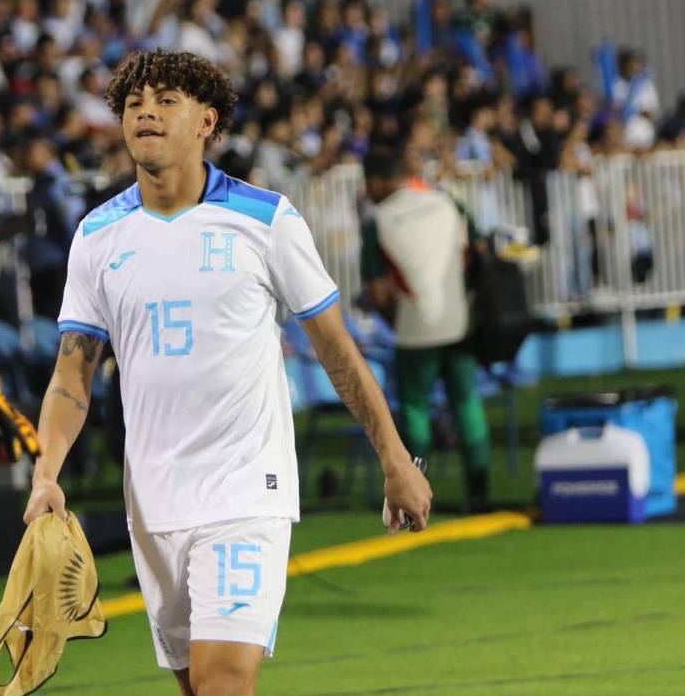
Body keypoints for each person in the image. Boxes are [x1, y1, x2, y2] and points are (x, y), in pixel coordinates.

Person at [23, 50, 431, 696]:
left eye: (166, 100)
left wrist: (395, 458)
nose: (146, 112)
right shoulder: (97, 236)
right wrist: (46, 472)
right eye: (134, 103)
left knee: (222, 685)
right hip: (152, 502)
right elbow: (72, 375)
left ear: (207, 121)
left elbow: (337, 351)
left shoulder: (266, 219)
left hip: (245, 491)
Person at [362, 145, 491, 513]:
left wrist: (398, 322)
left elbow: (378, 290)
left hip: (415, 328)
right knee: (467, 402)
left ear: (377, 181)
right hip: (460, 320)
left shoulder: (379, 219)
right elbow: (479, 251)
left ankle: (413, 495)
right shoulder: (447, 201)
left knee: (416, 408)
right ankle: (479, 490)